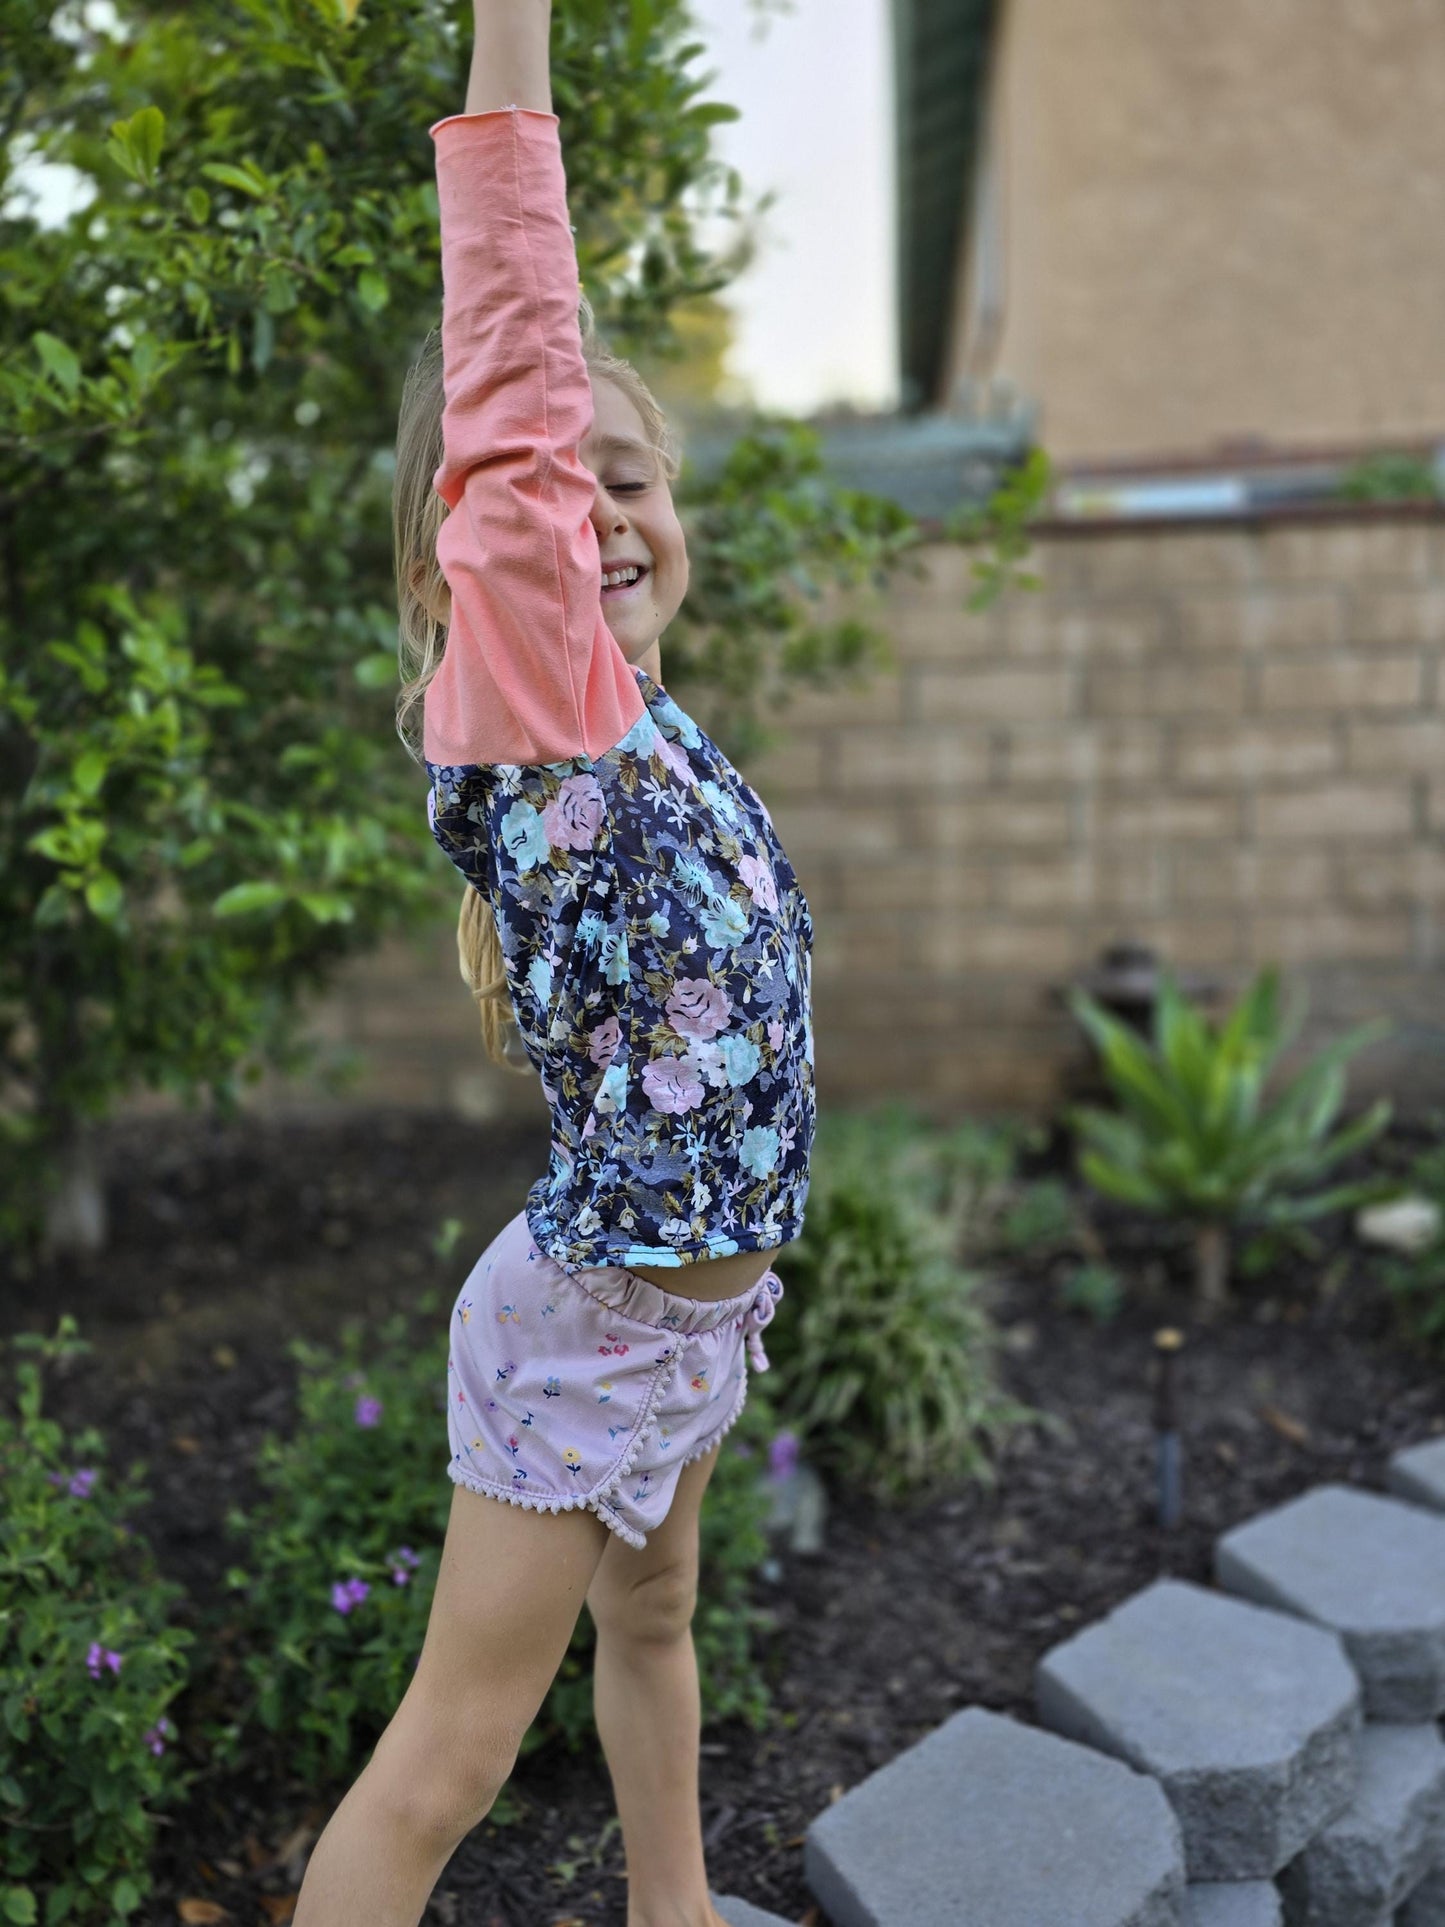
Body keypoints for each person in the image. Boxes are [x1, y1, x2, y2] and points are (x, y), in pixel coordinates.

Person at [293, 3, 816, 1923]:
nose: (597, 514)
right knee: (445, 1764)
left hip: (687, 1325)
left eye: (634, 482)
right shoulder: (529, 708)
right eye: (548, 485)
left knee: (659, 1619)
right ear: (468, 558)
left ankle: (671, 1910)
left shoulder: (638, 720)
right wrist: (512, 20)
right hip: (589, 1330)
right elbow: (511, 319)